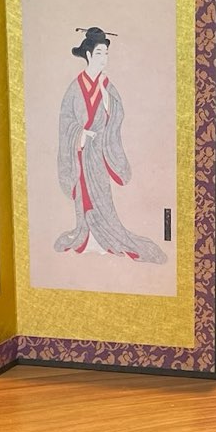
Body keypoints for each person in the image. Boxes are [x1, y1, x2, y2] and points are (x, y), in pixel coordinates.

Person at [54, 27, 166, 263]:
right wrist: (80, 134)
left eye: (106, 53)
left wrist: (107, 102)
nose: (104, 58)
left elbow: (117, 114)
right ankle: (88, 240)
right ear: (88, 55)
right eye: (99, 53)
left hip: (99, 153)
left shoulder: (107, 86)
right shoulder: (75, 87)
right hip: (82, 153)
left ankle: (106, 239)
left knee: (102, 197)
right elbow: (66, 122)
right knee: (84, 197)